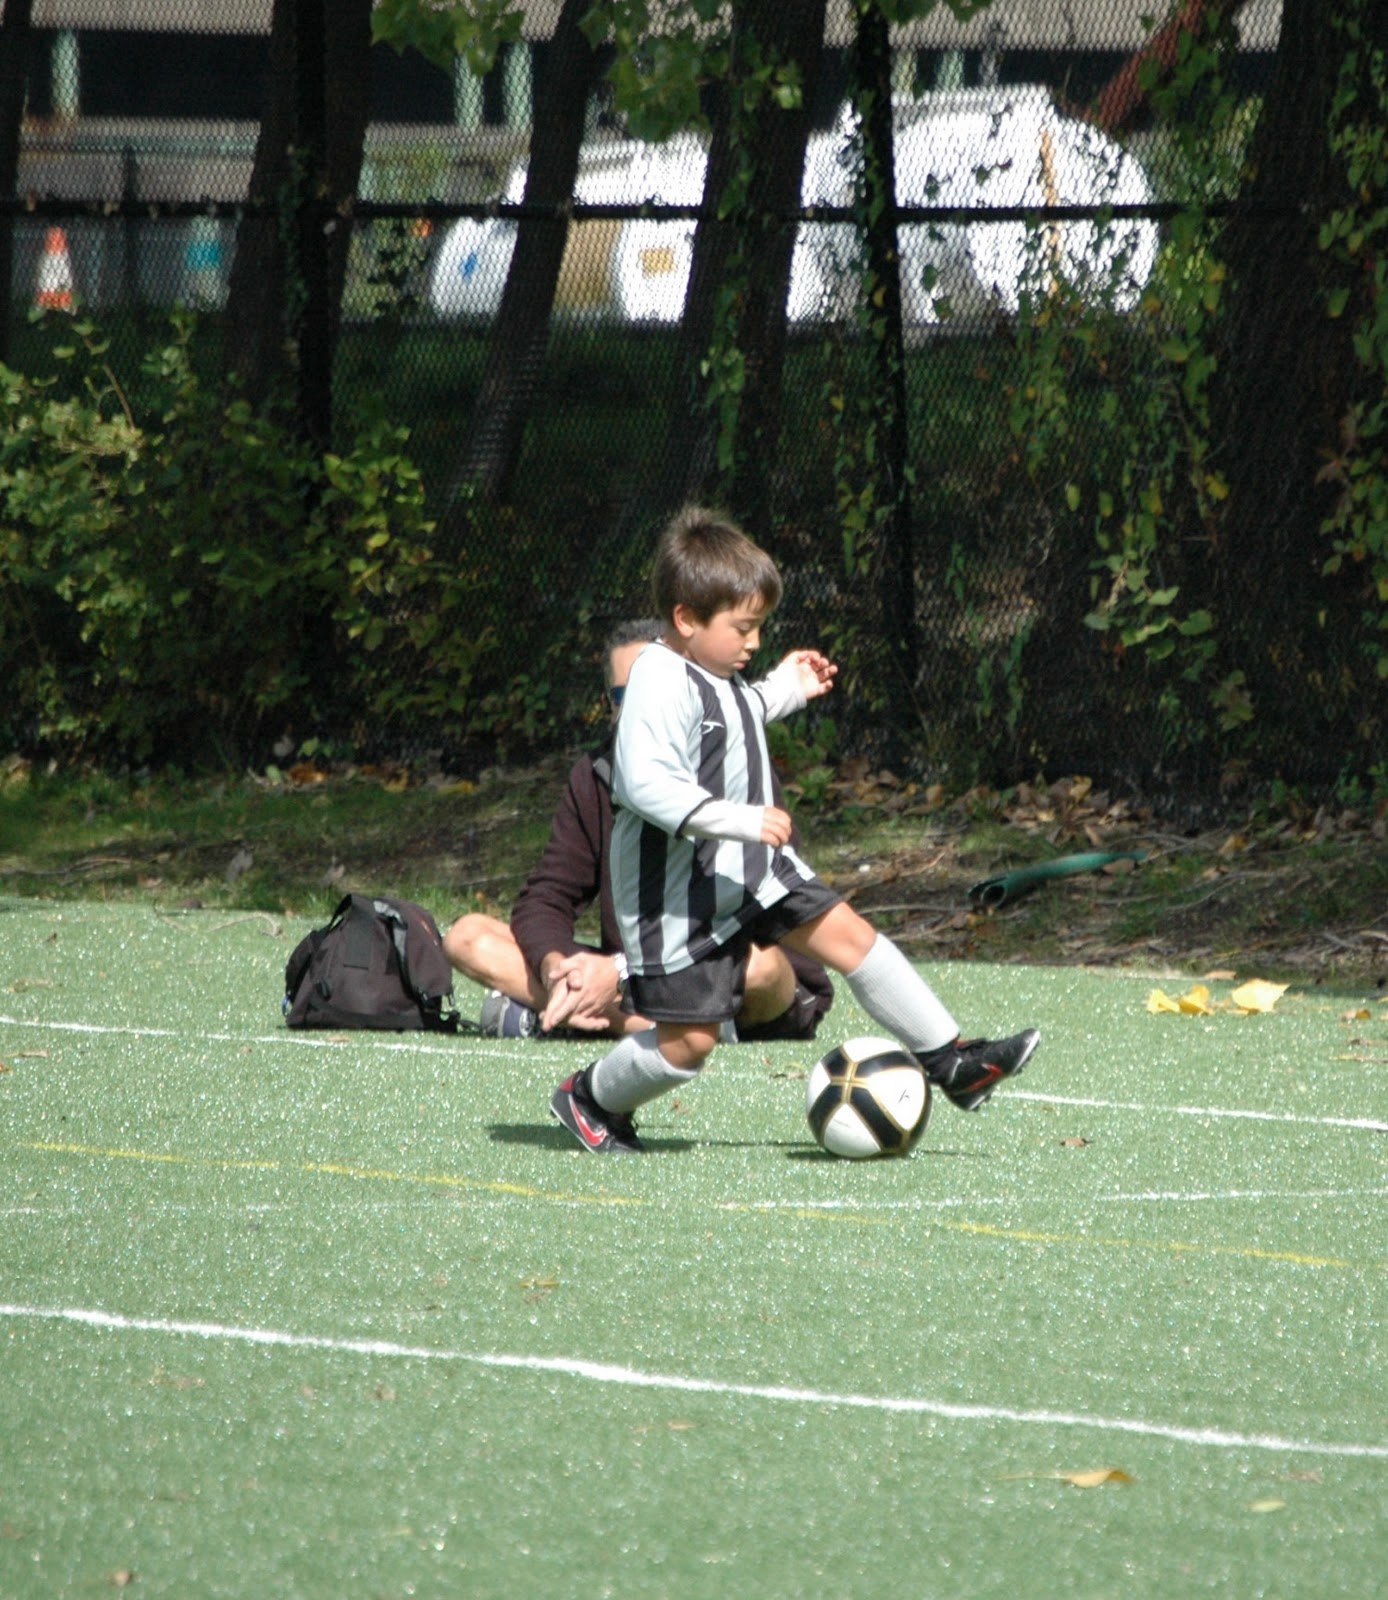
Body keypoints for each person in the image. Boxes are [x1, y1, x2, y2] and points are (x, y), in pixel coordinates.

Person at [551, 506, 1039, 1154]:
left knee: (852, 938)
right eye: (743, 628)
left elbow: (739, 711)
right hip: (678, 895)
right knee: (687, 1044)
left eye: (758, 628)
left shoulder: (711, 672)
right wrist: (740, 819)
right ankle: (588, 1097)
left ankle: (951, 1061)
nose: (752, 642)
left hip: (748, 871)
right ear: (686, 620)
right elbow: (644, 784)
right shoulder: (659, 678)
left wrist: (787, 686)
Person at [443, 619, 834, 1042]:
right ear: (609, 704)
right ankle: (630, 1021)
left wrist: (615, 974)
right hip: (639, 979)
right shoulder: (596, 775)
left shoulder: (737, 765)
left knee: (762, 967)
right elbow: (547, 897)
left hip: (736, 974)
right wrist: (556, 971)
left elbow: (761, 910)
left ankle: (588, 1018)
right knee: (469, 938)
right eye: (624, 696)